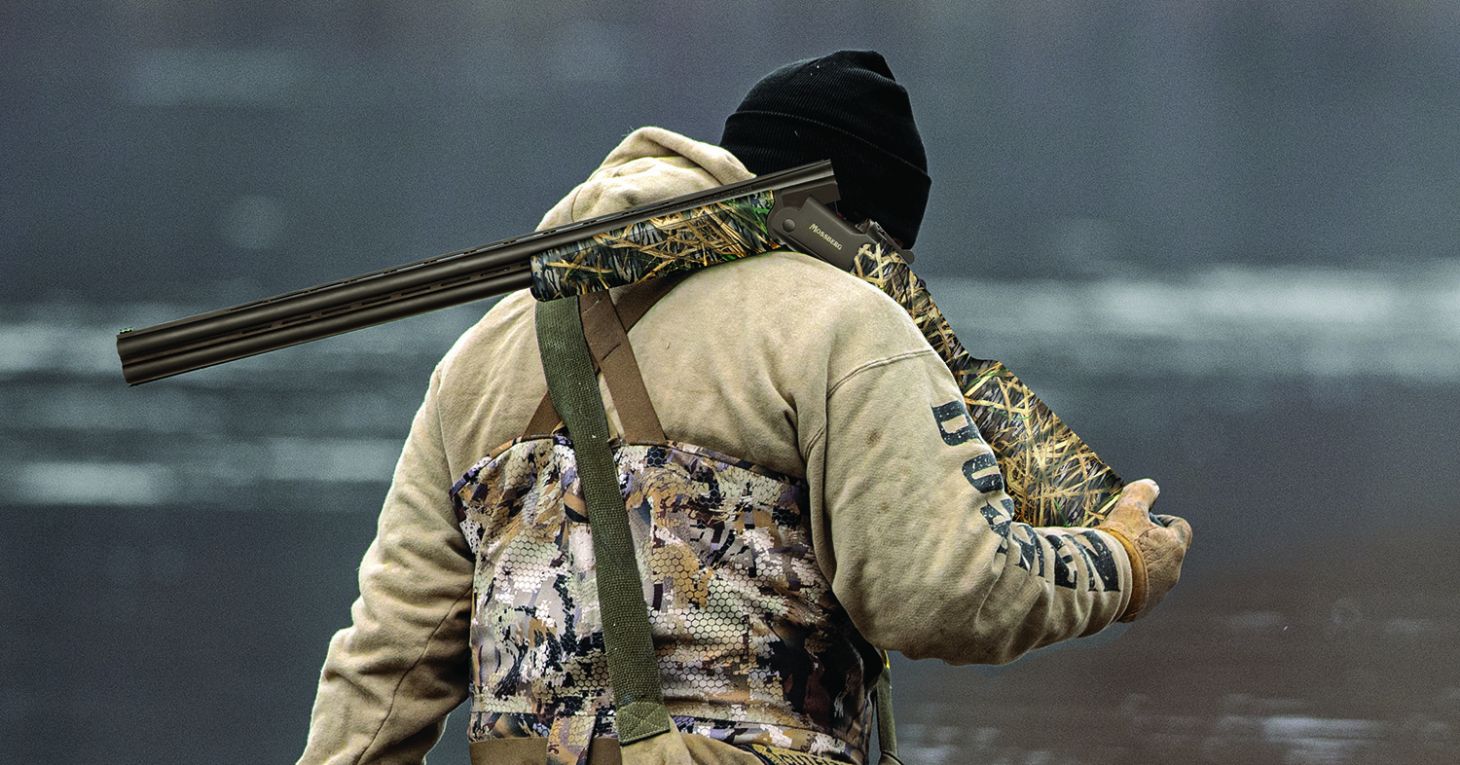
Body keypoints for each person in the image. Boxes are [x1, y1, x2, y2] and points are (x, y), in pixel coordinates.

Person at [296, 50, 1192, 765]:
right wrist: (1119, 563)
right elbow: (941, 592)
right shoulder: (845, 325)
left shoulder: (481, 353)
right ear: (870, 230)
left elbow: (385, 670)